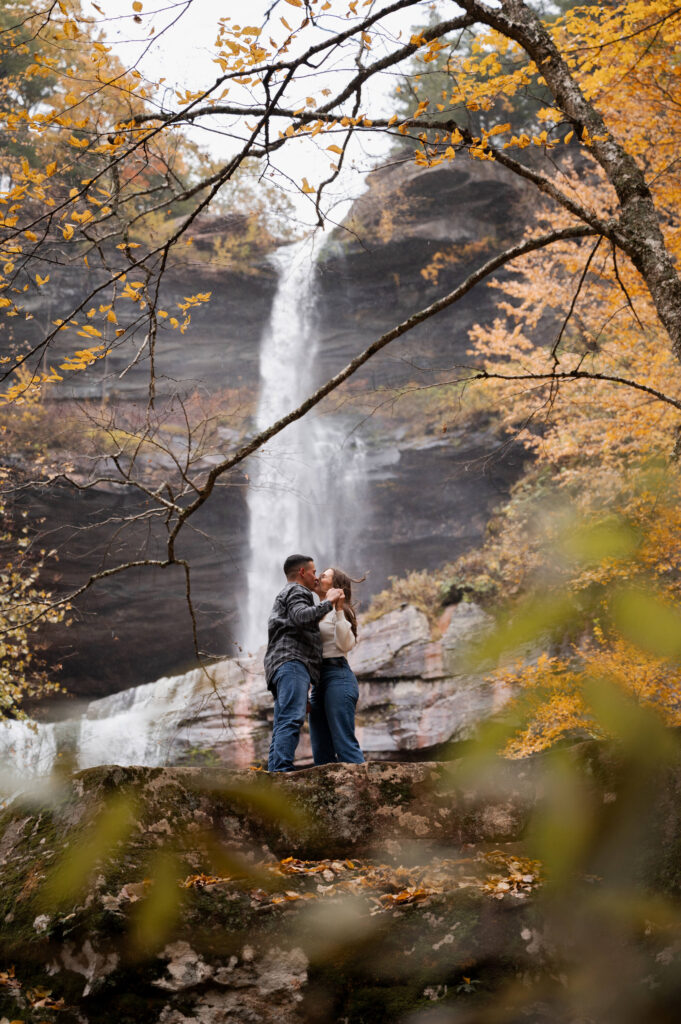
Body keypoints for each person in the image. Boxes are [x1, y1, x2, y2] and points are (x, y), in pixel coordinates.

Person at [264, 553, 344, 772]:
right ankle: (281, 771)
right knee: (291, 719)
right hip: (292, 663)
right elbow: (302, 617)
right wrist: (329, 601)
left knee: (282, 721)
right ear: (302, 572)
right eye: (313, 571)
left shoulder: (286, 593)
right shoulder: (297, 590)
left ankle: (274, 773)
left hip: (281, 666)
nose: (315, 577)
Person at [309, 567, 365, 765]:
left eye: (323, 576)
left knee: (344, 744)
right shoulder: (316, 611)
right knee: (320, 748)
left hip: (337, 676)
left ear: (335, 586)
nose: (317, 577)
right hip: (317, 682)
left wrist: (339, 610)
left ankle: (364, 792)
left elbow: (346, 644)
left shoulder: (343, 610)